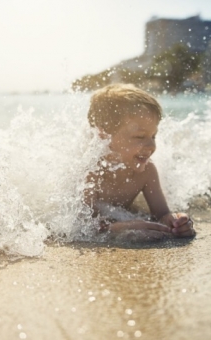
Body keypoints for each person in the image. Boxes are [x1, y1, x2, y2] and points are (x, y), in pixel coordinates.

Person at [83, 84, 195, 240]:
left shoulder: (147, 172)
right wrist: (120, 228)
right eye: (140, 137)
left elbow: (162, 214)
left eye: (153, 136)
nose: (151, 146)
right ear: (104, 135)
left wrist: (175, 222)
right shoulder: (89, 172)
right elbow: (80, 226)